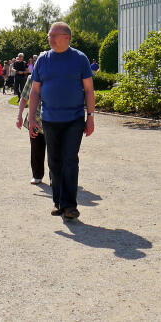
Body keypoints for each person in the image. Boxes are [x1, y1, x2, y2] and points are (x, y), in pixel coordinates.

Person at [27, 22, 95, 221]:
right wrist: (31, 118)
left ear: (67, 37)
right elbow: (35, 91)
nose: (50, 39)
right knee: (54, 162)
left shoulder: (80, 59)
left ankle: (69, 205)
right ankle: (58, 202)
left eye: (54, 35)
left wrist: (90, 117)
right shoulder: (42, 60)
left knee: (70, 160)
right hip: (49, 119)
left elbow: (89, 90)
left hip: (74, 119)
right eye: (49, 36)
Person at [15, 64, 46, 185]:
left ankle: (55, 177)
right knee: (36, 149)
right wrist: (19, 116)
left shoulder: (55, 77)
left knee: (55, 150)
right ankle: (37, 175)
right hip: (35, 119)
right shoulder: (31, 78)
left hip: (53, 120)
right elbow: (24, 98)